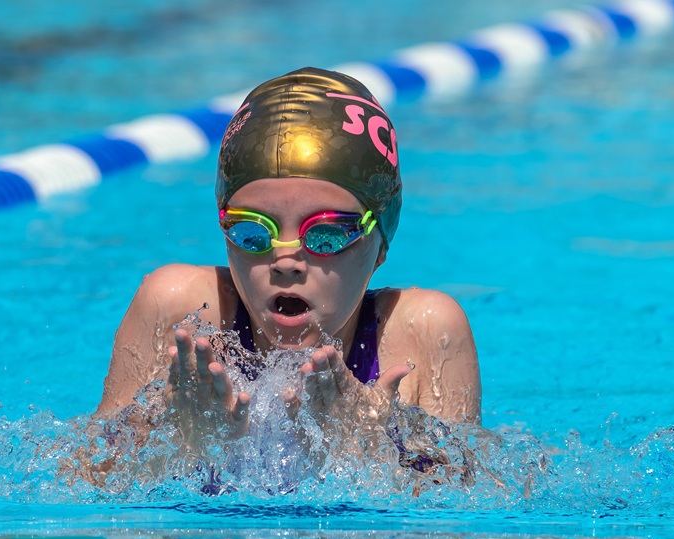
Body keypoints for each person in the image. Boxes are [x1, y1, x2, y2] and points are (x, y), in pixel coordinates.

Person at [94, 67, 480, 459]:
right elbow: (82, 477)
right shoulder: (180, 316)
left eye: (326, 234)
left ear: (380, 244)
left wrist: (364, 452)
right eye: (252, 232)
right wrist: (184, 446)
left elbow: (469, 493)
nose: (285, 260)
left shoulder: (421, 335)